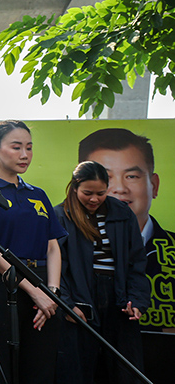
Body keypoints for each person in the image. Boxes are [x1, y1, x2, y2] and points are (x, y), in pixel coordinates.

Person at [0, 120, 66, 384]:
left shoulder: (37, 194)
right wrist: (35, 292)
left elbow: (52, 246)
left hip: (44, 290)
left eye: (29, 147)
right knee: (2, 367)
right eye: (16, 147)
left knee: (40, 367)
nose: (24, 155)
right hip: (3, 287)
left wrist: (52, 292)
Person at [55, 161, 149, 384]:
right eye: (87, 193)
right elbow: (57, 266)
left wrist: (136, 301)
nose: (94, 199)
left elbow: (136, 261)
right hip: (81, 300)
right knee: (79, 369)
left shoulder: (122, 212)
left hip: (119, 298)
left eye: (101, 193)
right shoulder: (61, 215)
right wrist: (67, 304)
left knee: (123, 369)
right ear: (75, 187)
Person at [78, 128, 175, 333]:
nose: (119, 189)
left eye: (131, 176)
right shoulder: (69, 234)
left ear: (154, 185)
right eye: (106, 177)